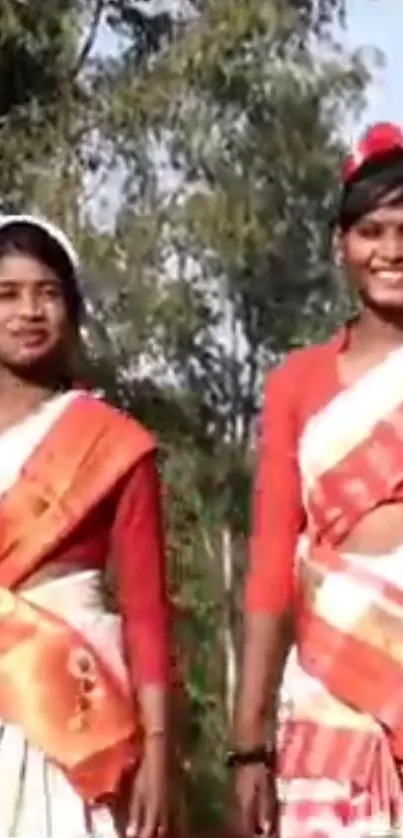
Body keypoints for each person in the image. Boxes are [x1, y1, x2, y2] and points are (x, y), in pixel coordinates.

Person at [231, 122, 403, 838]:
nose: (390, 251)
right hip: (330, 690)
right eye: (370, 230)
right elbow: (271, 567)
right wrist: (247, 750)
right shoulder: (294, 384)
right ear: (340, 244)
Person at [0, 214, 171, 838]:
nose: (29, 311)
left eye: (48, 293)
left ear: (73, 312)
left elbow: (148, 612)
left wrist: (156, 747)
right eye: (7, 295)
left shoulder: (112, 444)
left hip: (80, 705)